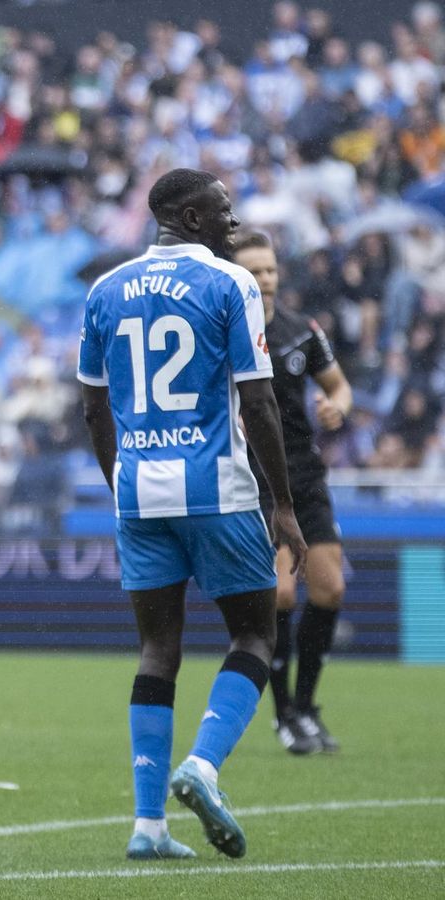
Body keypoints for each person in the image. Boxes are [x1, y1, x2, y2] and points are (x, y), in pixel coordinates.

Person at [78, 169, 307, 861]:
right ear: (191, 216)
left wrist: (119, 481)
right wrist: (284, 504)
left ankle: (149, 826)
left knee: (157, 649)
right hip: (219, 491)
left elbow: (93, 406)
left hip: (140, 493)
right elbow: (260, 403)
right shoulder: (229, 285)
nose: (234, 221)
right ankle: (203, 765)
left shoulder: (104, 290)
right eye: (224, 210)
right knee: (254, 637)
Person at [232, 231, 352, 754]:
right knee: (280, 593)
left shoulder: (301, 332)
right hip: (254, 480)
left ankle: (306, 708)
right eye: (254, 271)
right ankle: (283, 716)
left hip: (303, 474)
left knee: (329, 590)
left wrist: (338, 407)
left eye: (271, 270)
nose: (264, 280)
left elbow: (338, 386)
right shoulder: (224, 335)